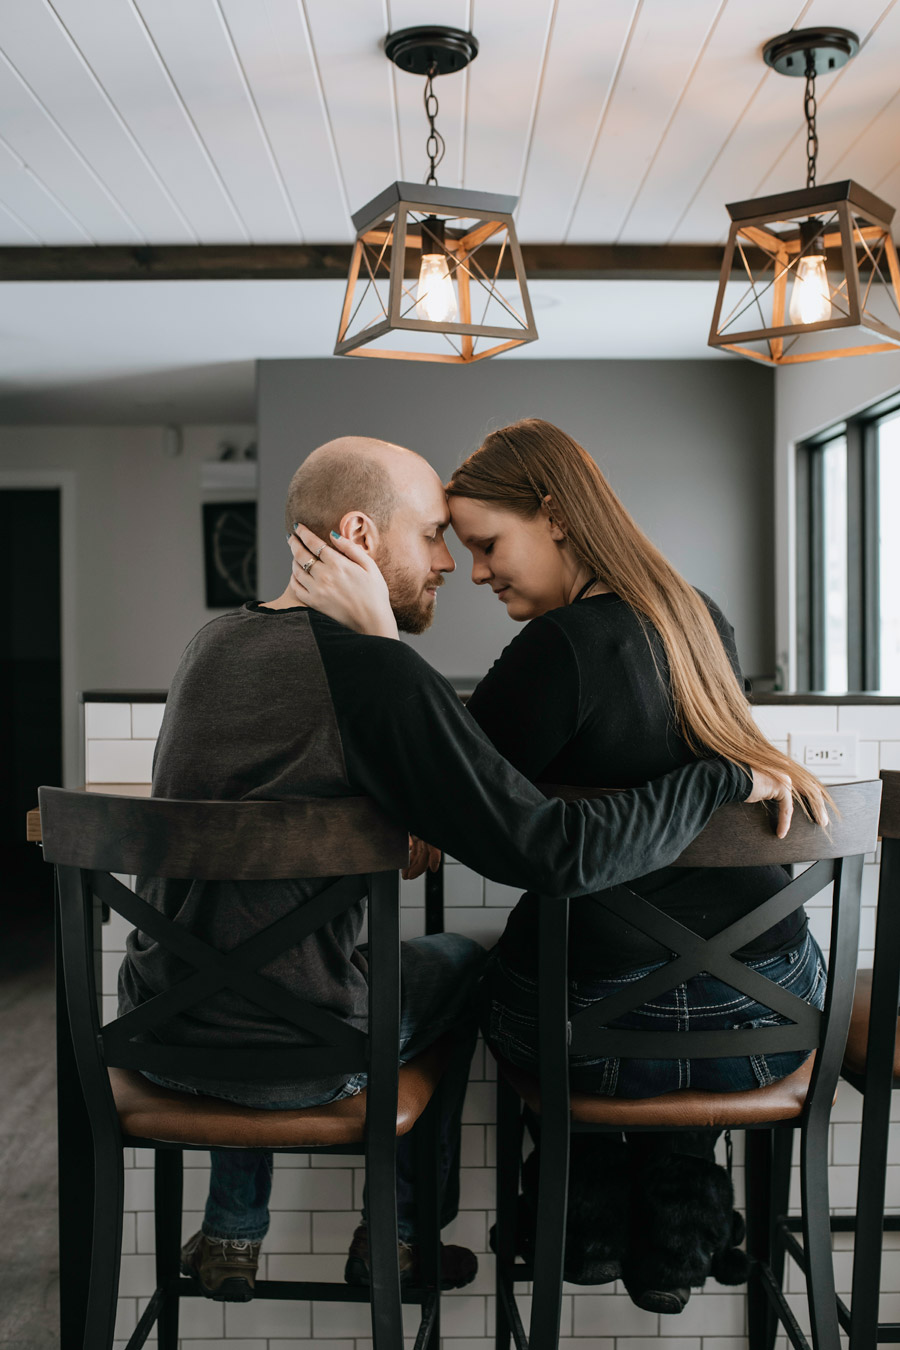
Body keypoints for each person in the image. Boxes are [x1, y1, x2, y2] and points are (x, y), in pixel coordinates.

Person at [120, 434, 809, 1305]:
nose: (453, 565)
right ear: (363, 536)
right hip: (313, 1052)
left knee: (257, 962)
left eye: (471, 541)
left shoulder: (208, 645)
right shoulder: (381, 676)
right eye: (438, 536)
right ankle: (401, 1237)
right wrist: (715, 774)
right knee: (459, 964)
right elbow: (556, 850)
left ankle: (235, 1228)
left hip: (156, 1029)